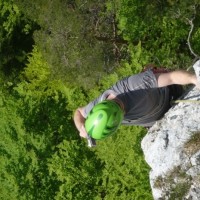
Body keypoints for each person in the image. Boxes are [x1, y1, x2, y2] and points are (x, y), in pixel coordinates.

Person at [74, 60, 200, 139]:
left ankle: (150, 71)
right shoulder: (96, 108)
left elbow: (172, 78)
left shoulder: (133, 86)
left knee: (152, 75)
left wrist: (195, 79)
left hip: (170, 95)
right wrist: (81, 127)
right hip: (155, 120)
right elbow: (78, 113)